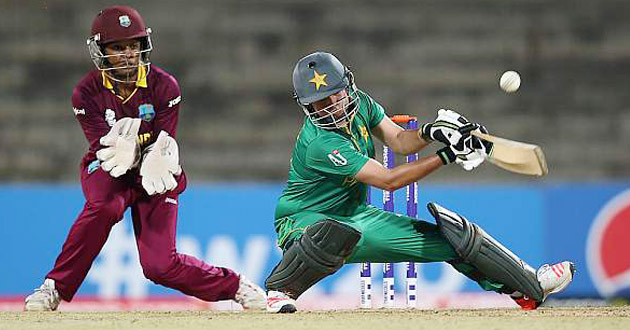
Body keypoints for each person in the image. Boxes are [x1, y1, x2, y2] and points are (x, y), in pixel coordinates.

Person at [264, 51, 575, 313]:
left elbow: (399, 141)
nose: (330, 106)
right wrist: (448, 155)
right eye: (319, 103)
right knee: (330, 236)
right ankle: (282, 289)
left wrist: (431, 132)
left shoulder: (362, 104)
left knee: (455, 239)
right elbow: (388, 180)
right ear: (307, 106)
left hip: (357, 216)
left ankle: (528, 285)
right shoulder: (320, 143)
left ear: (348, 86)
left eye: (334, 95)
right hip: (303, 220)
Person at [24, 5, 265, 311]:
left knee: (159, 266)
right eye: (117, 47)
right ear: (101, 51)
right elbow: (104, 148)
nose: (127, 54)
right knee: (105, 207)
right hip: (110, 167)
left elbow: (165, 142)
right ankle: (53, 288)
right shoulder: (85, 93)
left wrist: (155, 155)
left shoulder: (165, 86)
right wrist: (122, 149)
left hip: (155, 169)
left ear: (143, 46)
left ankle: (236, 286)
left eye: (132, 46)